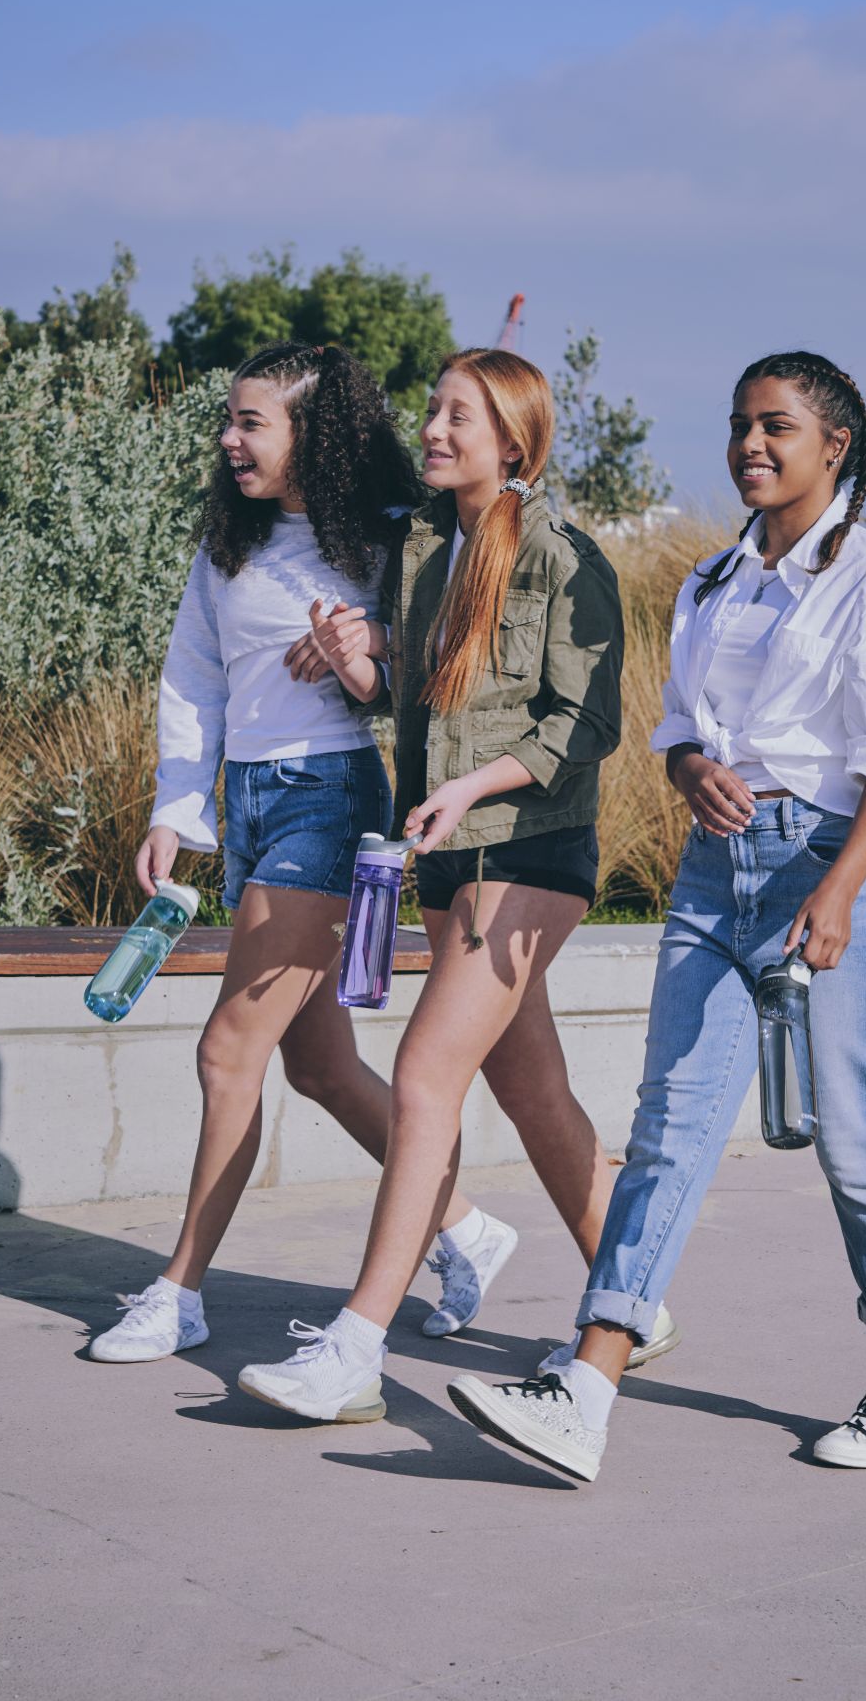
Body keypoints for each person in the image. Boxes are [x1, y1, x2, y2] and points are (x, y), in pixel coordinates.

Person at [448, 350, 866, 1481]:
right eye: (737, 425)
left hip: (830, 867)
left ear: (836, 446)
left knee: (853, 1137)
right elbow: (677, 722)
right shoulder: (714, 580)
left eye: (775, 426)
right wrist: (688, 771)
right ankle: (586, 1388)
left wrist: (834, 893)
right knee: (669, 1123)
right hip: (714, 874)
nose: (748, 445)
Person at [235, 347, 678, 1425]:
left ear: (512, 441)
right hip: (443, 852)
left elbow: (587, 724)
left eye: (457, 417)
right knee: (534, 1091)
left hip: (526, 851)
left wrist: (473, 783)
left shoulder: (564, 557)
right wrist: (357, 656)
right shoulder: (427, 545)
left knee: (424, 1074)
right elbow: (410, 696)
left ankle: (355, 1349)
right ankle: (635, 1298)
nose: (431, 430)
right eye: (432, 410)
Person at [88, 342, 517, 1378]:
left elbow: (432, 655)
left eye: (252, 423)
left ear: (311, 434)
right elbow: (192, 677)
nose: (230, 440)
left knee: (226, 1050)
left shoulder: (386, 536)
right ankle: (466, 1228)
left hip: (326, 800)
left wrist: (365, 645)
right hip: (247, 804)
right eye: (228, 421)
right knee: (316, 1064)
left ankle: (180, 1293)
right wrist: (177, 810)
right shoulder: (228, 544)